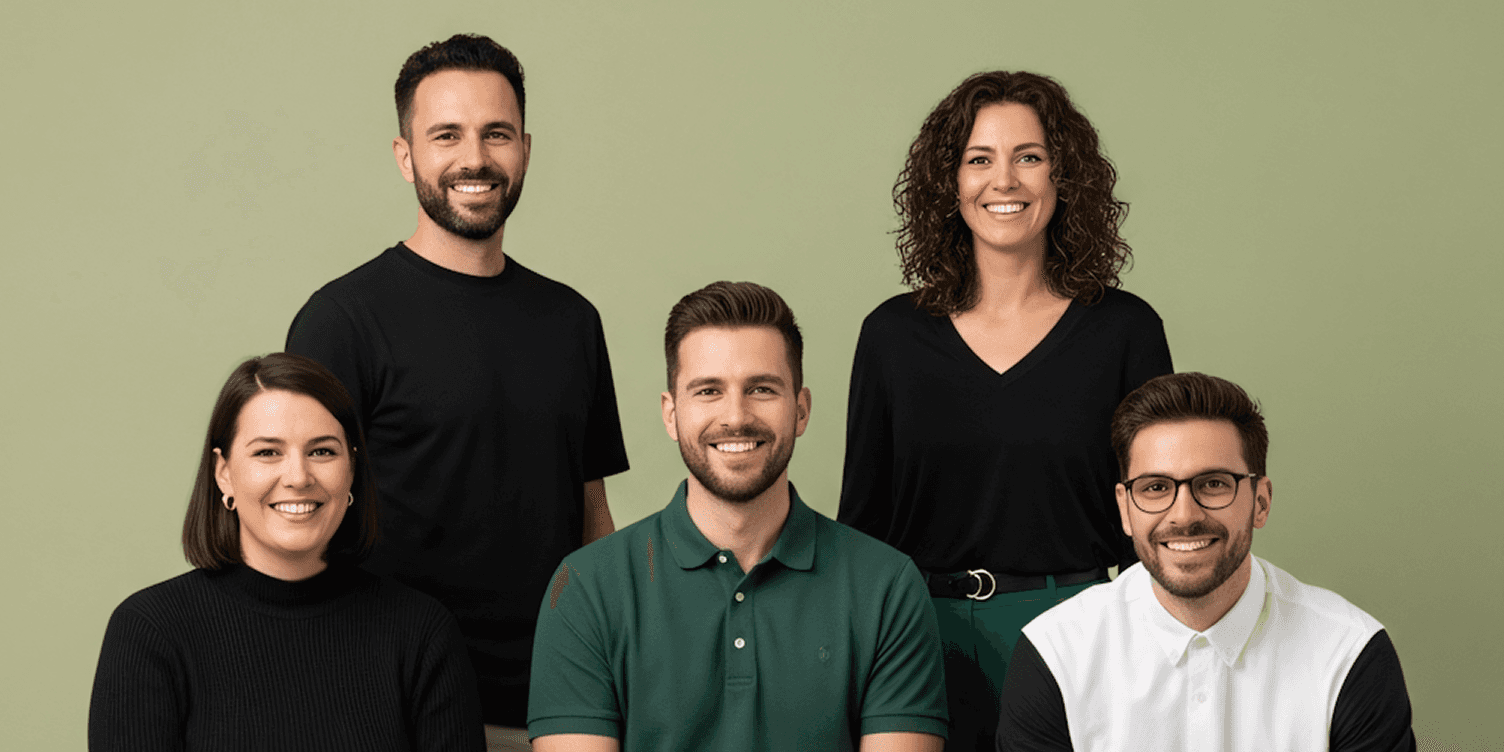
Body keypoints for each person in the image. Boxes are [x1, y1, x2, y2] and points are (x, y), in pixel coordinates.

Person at [284, 34, 628, 746]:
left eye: (495, 134)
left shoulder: (571, 321)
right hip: (395, 710)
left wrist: (615, 668)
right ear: (406, 156)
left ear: (525, 150)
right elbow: (296, 528)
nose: (474, 158)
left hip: (558, 710)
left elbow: (592, 515)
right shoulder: (342, 321)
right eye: (447, 135)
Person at [837, 71, 1171, 749]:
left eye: (1030, 157)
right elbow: (863, 527)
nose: (1005, 181)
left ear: (1063, 176)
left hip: (1081, 629)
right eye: (979, 160)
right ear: (949, 184)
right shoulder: (891, 336)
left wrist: (1147, 652)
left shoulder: (1125, 331)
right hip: (918, 641)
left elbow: (1159, 508)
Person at [528, 282, 948, 751]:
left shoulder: (888, 588)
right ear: (671, 414)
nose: (736, 417)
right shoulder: (586, 588)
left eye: (762, 389)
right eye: (708, 391)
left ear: (801, 410)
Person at [997, 372, 1415, 751]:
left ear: (1261, 502)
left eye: (1213, 483)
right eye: (1156, 487)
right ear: (1125, 510)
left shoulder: (1348, 652)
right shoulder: (1056, 654)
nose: (1184, 515)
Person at [87, 353, 483, 751]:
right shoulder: (149, 630)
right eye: (267, 452)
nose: (298, 477)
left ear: (352, 469)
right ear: (223, 473)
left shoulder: (422, 632)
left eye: (322, 451)